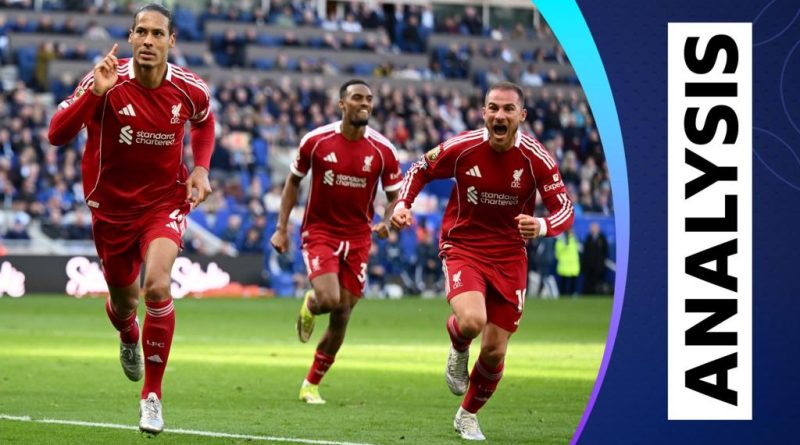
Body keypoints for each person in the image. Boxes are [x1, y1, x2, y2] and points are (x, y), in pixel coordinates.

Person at [47, 3, 215, 435]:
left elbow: (204, 122)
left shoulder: (190, 89)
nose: (148, 40)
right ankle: (127, 334)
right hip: (112, 211)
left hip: (164, 203)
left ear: (171, 41)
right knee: (125, 304)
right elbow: (56, 134)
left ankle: (151, 397)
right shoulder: (105, 79)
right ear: (131, 37)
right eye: (141, 32)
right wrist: (94, 93)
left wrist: (200, 168)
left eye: (158, 34)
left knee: (157, 285)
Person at [391, 82, 574, 441]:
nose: (499, 115)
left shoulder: (537, 158)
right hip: (464, 246)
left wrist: (541, 225)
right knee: (473, 321)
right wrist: (402, 205)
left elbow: (564, 209)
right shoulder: (463, 147)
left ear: (522, 115)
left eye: (508, 109)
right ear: (484, 112)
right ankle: (459, 344)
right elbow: (420, 168)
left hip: (510, 256)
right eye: (493, 108)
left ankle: (467, 415)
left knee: (494, 350)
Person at [270, 79, 403, 404]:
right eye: (357, 98)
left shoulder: (383, 150)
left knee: (343, 314)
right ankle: (311, 304)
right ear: (342, 104)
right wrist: (281, 228)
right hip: (320, 232)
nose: (364, 104)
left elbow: (394, 196)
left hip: (358, 237)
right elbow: (293, 182)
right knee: (329, 299)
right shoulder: (316, 141)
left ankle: (311, 384)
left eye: (368, 99)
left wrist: (388, 221)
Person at [581, 222, 609, 294]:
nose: (592, 229)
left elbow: (605, 251)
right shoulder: (588, 238)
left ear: (598, 229)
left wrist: (601, 262)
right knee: (589, 282)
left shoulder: (602, 238)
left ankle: (598, 293)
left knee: (599, 282)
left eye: (594, 228)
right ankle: (588, 293)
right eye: (592, 228)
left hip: (599, 266)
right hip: (589, 266)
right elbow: (585, 252)